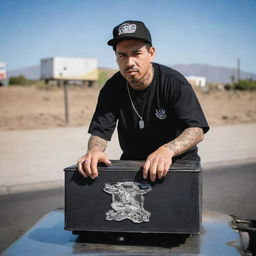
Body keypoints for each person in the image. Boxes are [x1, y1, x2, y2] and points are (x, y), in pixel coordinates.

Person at [78, 20, 209, 182]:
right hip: (135, 167)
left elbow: (196, 130)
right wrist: (94, 150)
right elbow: (100, 132)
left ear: (151, 53)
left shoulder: (173, 82)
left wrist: (167, 150)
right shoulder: (112, 88)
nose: (130, 62)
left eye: (136, 53)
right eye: (122, 55)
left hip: (178, 164)